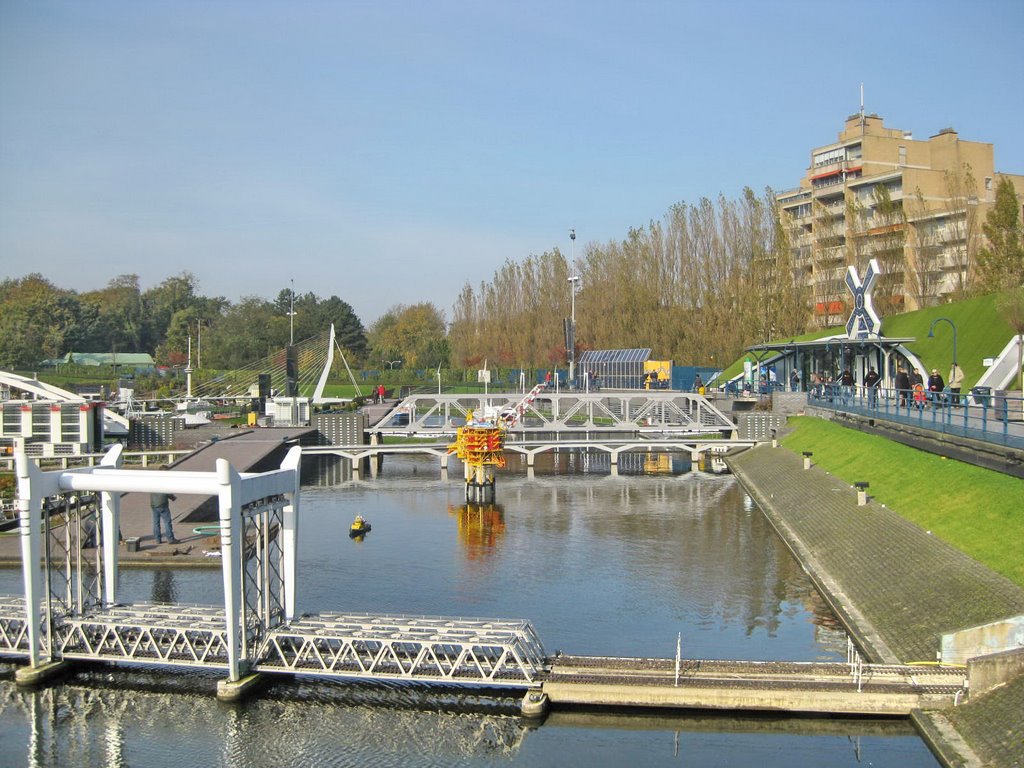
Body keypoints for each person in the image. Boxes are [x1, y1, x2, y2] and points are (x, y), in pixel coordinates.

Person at [150, 469, 178, 545]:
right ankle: (170, 539)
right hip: (162, 504)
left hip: (153, 504)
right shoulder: (164, 481)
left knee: (156, 523)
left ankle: (158, 539)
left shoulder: (152, 481)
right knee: (167, 522)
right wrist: (173, 497)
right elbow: (167, 492)